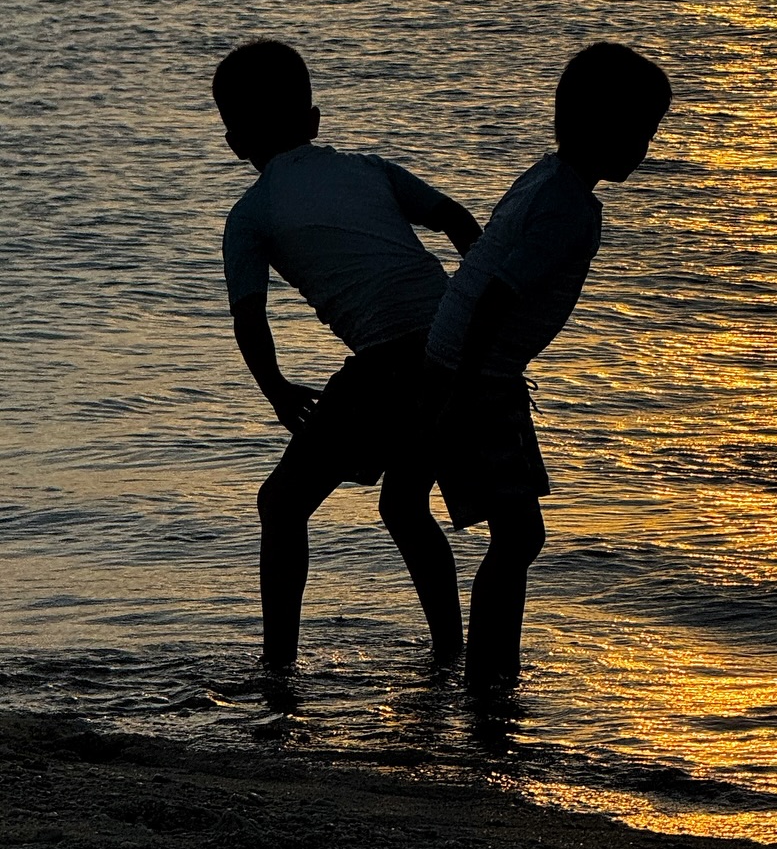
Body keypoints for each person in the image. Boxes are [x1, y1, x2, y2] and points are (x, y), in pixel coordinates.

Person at [213, 38, 480, 670]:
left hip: (392, 363)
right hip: (456, 349)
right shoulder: (371, 170)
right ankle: (451, 656)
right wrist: (480, 316)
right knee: (404, 505)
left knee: (282, 503)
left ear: (234, 142)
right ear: (313, 121)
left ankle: (278, 668)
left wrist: (278, 390)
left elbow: (249, 318)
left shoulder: (251, 215)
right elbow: (459, 222)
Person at [426, 42, 672, 690]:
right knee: (518, 537)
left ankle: (487, 672)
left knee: (516, 535)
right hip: (477, 379)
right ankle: (490, 679)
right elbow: (498, 294)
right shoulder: (569, 207)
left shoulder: (546, 179)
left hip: (472, 372)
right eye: (640, 133)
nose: (646, 148)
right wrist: (463, 392)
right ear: (603, 129)